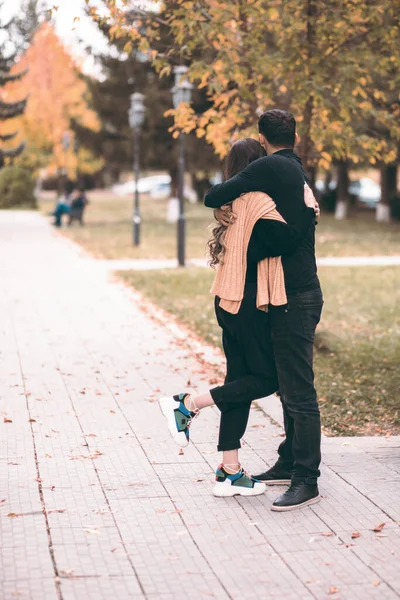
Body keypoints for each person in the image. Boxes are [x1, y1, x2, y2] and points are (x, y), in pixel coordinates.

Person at [159, 138, 318, 500]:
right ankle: (187, 404)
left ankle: (229, 471)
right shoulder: (259, 202)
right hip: (247, 303)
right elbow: (284, 241)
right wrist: (309, 210)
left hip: (226, 300)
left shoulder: (231, 201)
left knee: (239, 381)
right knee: (268, 378)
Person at [204, 110, 324, 511]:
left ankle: (307, 479)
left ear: (263, 138)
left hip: (294, 295)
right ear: (295, 134)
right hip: (284, 295)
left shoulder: (272, 170)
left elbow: (282, 236)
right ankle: (290, 462)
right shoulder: (297, 174)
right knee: (288, 385)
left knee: (298, 390)